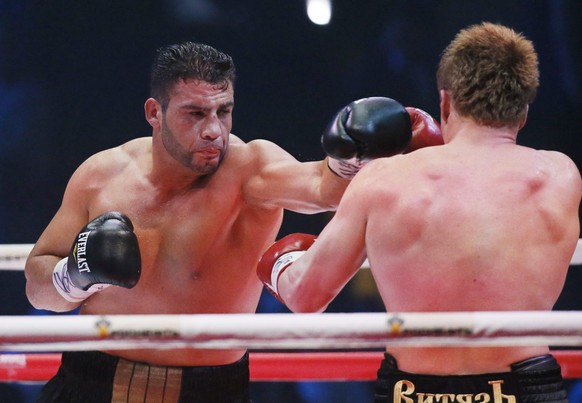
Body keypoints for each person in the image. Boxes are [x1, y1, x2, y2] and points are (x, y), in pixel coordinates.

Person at [24, 41, 438, 402]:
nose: (214, 131)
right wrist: (71, 276)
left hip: (210, 389)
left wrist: (354, 155)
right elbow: (37, 289)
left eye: (224, 111)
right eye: (195, 114)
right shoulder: (101, 176)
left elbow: (321, 187)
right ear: (155, 112)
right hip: (90, 381)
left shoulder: (249, 170)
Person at [257, 22, 581, 402]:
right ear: (523, 112)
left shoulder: (384, 178)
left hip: (413, 390)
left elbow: (305, 296)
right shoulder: (561, 175)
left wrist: (281, 262)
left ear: (445, 102)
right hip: (525, 386)